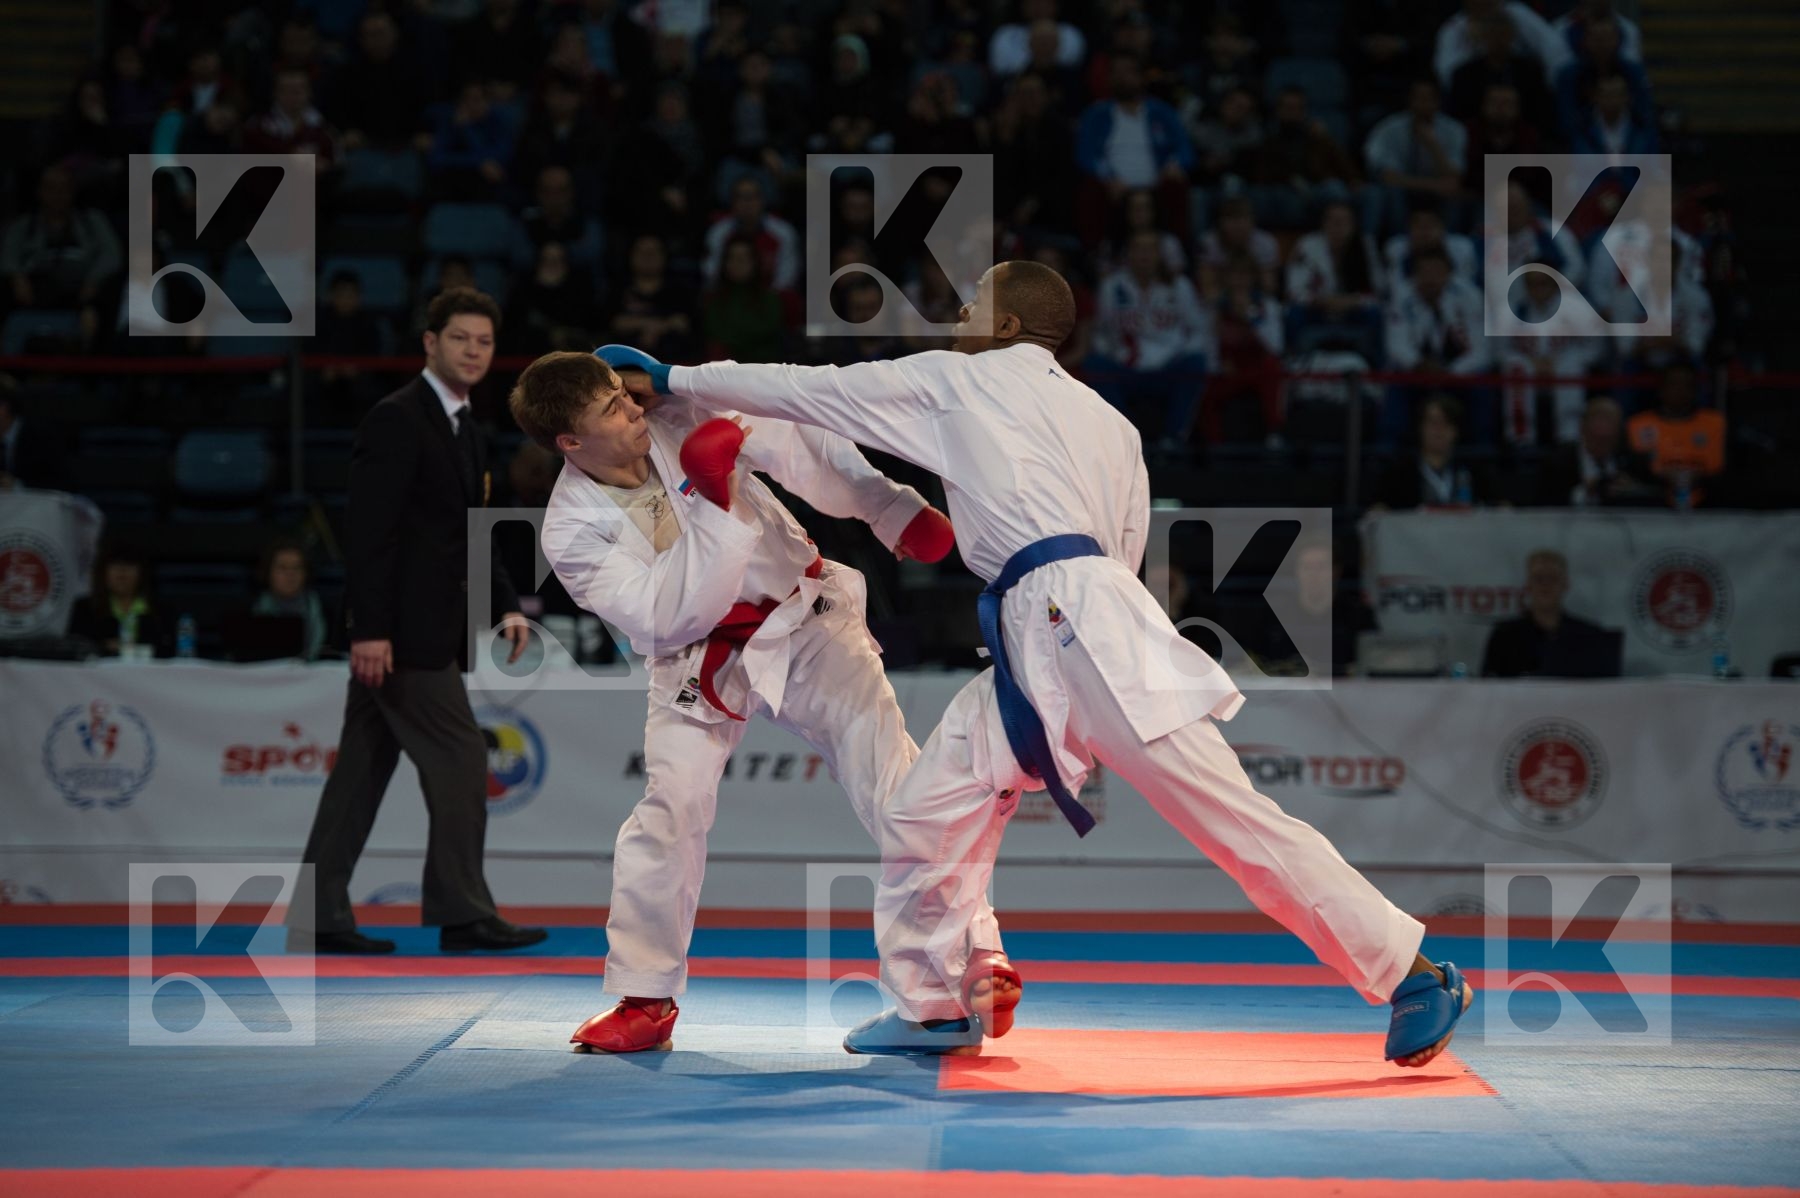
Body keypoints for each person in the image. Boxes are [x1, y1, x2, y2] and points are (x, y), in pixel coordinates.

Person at [600, 260, 1472, 1066]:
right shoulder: (1113, 423)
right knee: (922, 814)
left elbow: (812, 392)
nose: (955, 319)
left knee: (1230, 821)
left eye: (971, 305)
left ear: (1005, 321)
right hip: (1056, 625)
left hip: (1074, 626)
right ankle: (932, 1004)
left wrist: (678, 380)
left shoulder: (962, 377)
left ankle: (1413, 970)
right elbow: (1124, 548)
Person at [510, 350, 1010, 1053]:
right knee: (670, 808)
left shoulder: (675, 413)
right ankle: (644, 998)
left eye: (626, 395)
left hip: (807, 620)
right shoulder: (570, 529)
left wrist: (886, 506)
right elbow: (664, 618)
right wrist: (714, 499)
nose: (632, 409)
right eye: (612, 410)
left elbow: (795, 441)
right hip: (697, 656)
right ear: (570, 442)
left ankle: (976, 955)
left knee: (897, 782)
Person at [289, 288, 545, 956]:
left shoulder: (467, 425)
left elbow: (470, 532)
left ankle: (318, 915)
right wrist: (368, 629)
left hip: (428, 625)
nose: (473, 351)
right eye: (460, 338)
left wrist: (507, 604)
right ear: (429, 342)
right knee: (463, 757)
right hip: (403, 635)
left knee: (362, 769)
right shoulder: (397, 418)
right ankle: (462, 914)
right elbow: (369, 531)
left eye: (485, 342)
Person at [1481, 549, 1620, 678]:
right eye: (1539, 578)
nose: (1545, 585)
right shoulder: (1504, 637)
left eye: (1552, 578)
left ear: (1565, 584)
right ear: (1528, 585)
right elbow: (1489, 688)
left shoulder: (1590, 636)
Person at [1371, 394, 1502, 509]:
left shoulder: (1474, 471)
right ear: (1420, 428)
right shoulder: (1398, 474)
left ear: (1455, 431)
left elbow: (1498, 505)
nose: (1439, 430)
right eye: (1433, 422)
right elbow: (1380, 508)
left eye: (1446, 423)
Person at [1626, 362, 1727, 508]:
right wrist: (1663, 477)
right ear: (1661, 389)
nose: (1681, 390)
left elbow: (1722, 470)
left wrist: (1697, 477)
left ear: (1695, 389)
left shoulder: (1715, 423)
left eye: (1687, 385)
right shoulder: (1639, 424)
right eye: (1674, 384)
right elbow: (1636, 471)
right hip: (1654, 499)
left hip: (1707, 498)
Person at [1533, 396, 1655, 507]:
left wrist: (1633, 491)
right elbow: (1543, 504)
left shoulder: (1634, 462)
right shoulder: (1557, 463)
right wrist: (1585, 492)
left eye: (1607, 439)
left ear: (1619, 434)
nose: (1602, 437)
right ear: (1582, 429)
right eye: (1596, 438)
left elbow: (1655, 496)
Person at [68, 544, 164, 656]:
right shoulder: (84, 608)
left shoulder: (160, 610)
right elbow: (74, 646)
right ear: (103, 573)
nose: (122, 571)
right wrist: (104, 646)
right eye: (115, 565)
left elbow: (167, 649)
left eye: (130, 565)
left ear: (142, 573)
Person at [251, 539, 329, 661]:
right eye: (282, 568)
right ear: (268, 572)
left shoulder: (314, 604)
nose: (290, 574)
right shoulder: (257, 605)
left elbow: (317, 648)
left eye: (297, 568)